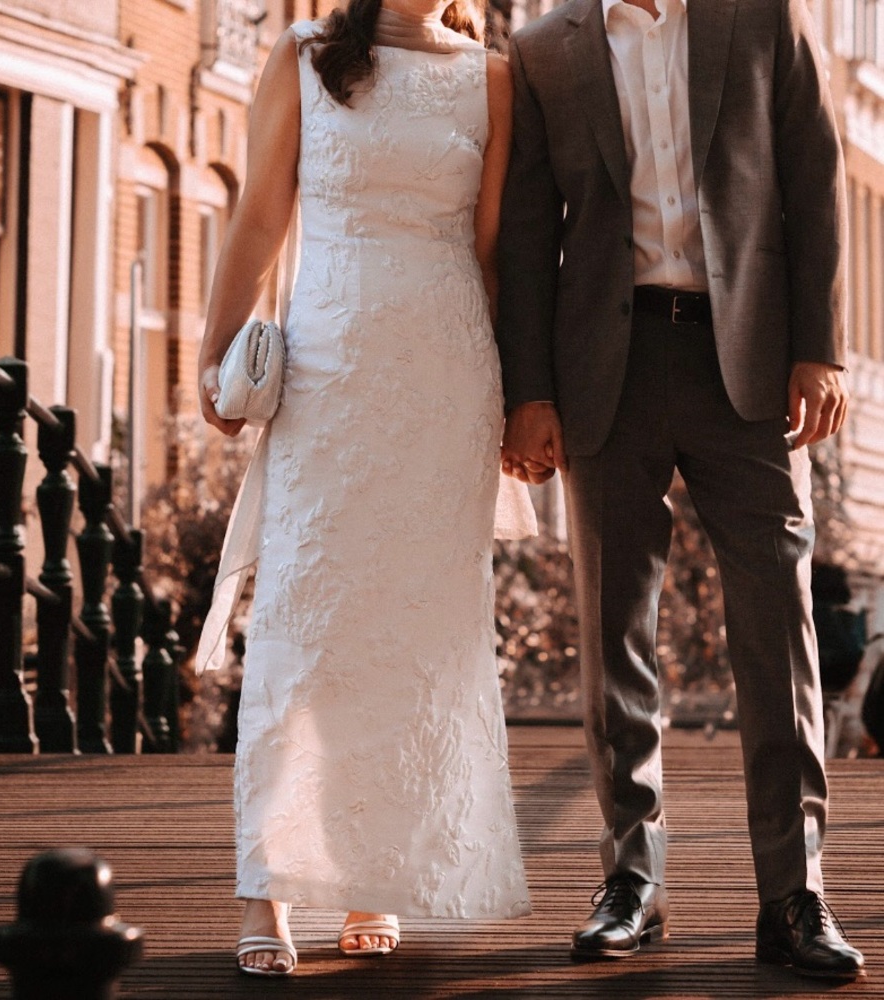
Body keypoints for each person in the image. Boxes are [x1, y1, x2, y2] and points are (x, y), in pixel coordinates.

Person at [497, 0, 865, 981]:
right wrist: (527, 388)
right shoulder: (541, 50)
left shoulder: (757, 16)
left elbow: (813, 175)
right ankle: (632, 881)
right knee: (614, 620)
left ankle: (794, 893)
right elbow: (528, 233)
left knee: (776, 622)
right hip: (604, 366)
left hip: (741, 364)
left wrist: (818, 349)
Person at [196, 0, 532, 977]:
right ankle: (266, 882)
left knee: (417, 628)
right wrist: (214, 347)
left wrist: (517, 401)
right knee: (304, 622)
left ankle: (370, 875)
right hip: (328, 371)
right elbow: (260, 208)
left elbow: (494, 249)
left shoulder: (494, 77)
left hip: (446, 377)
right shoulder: (300, 56)